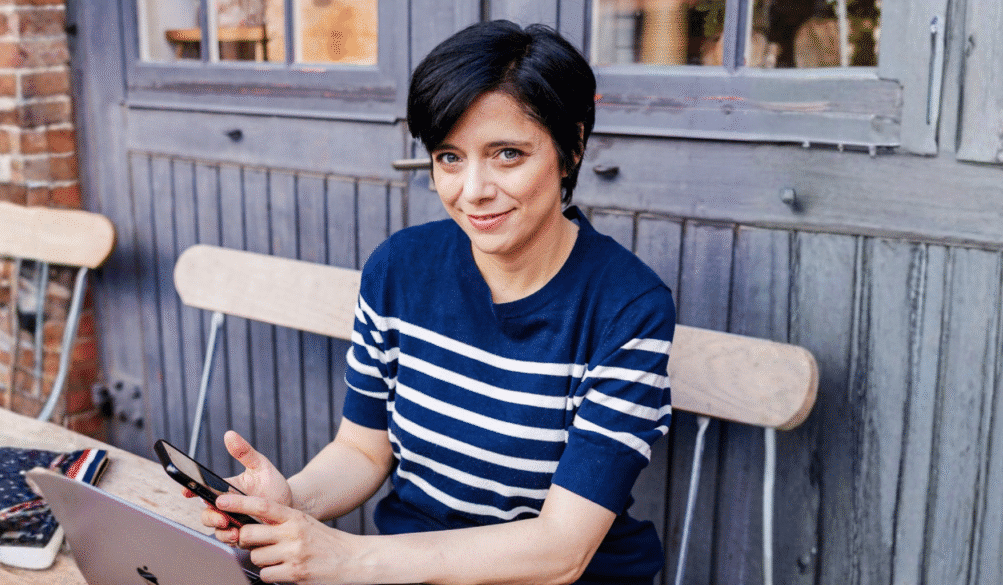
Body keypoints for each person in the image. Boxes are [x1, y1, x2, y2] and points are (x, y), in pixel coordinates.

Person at [196, 20, 676, 585]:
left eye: (507, 154)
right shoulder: (401, 268)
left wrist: (349, 559)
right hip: (405, 569)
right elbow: (363, 450)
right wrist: (291, 501)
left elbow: (559, 549)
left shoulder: (628, 307)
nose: (473, 189)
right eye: (450, 157)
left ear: (570, 149)